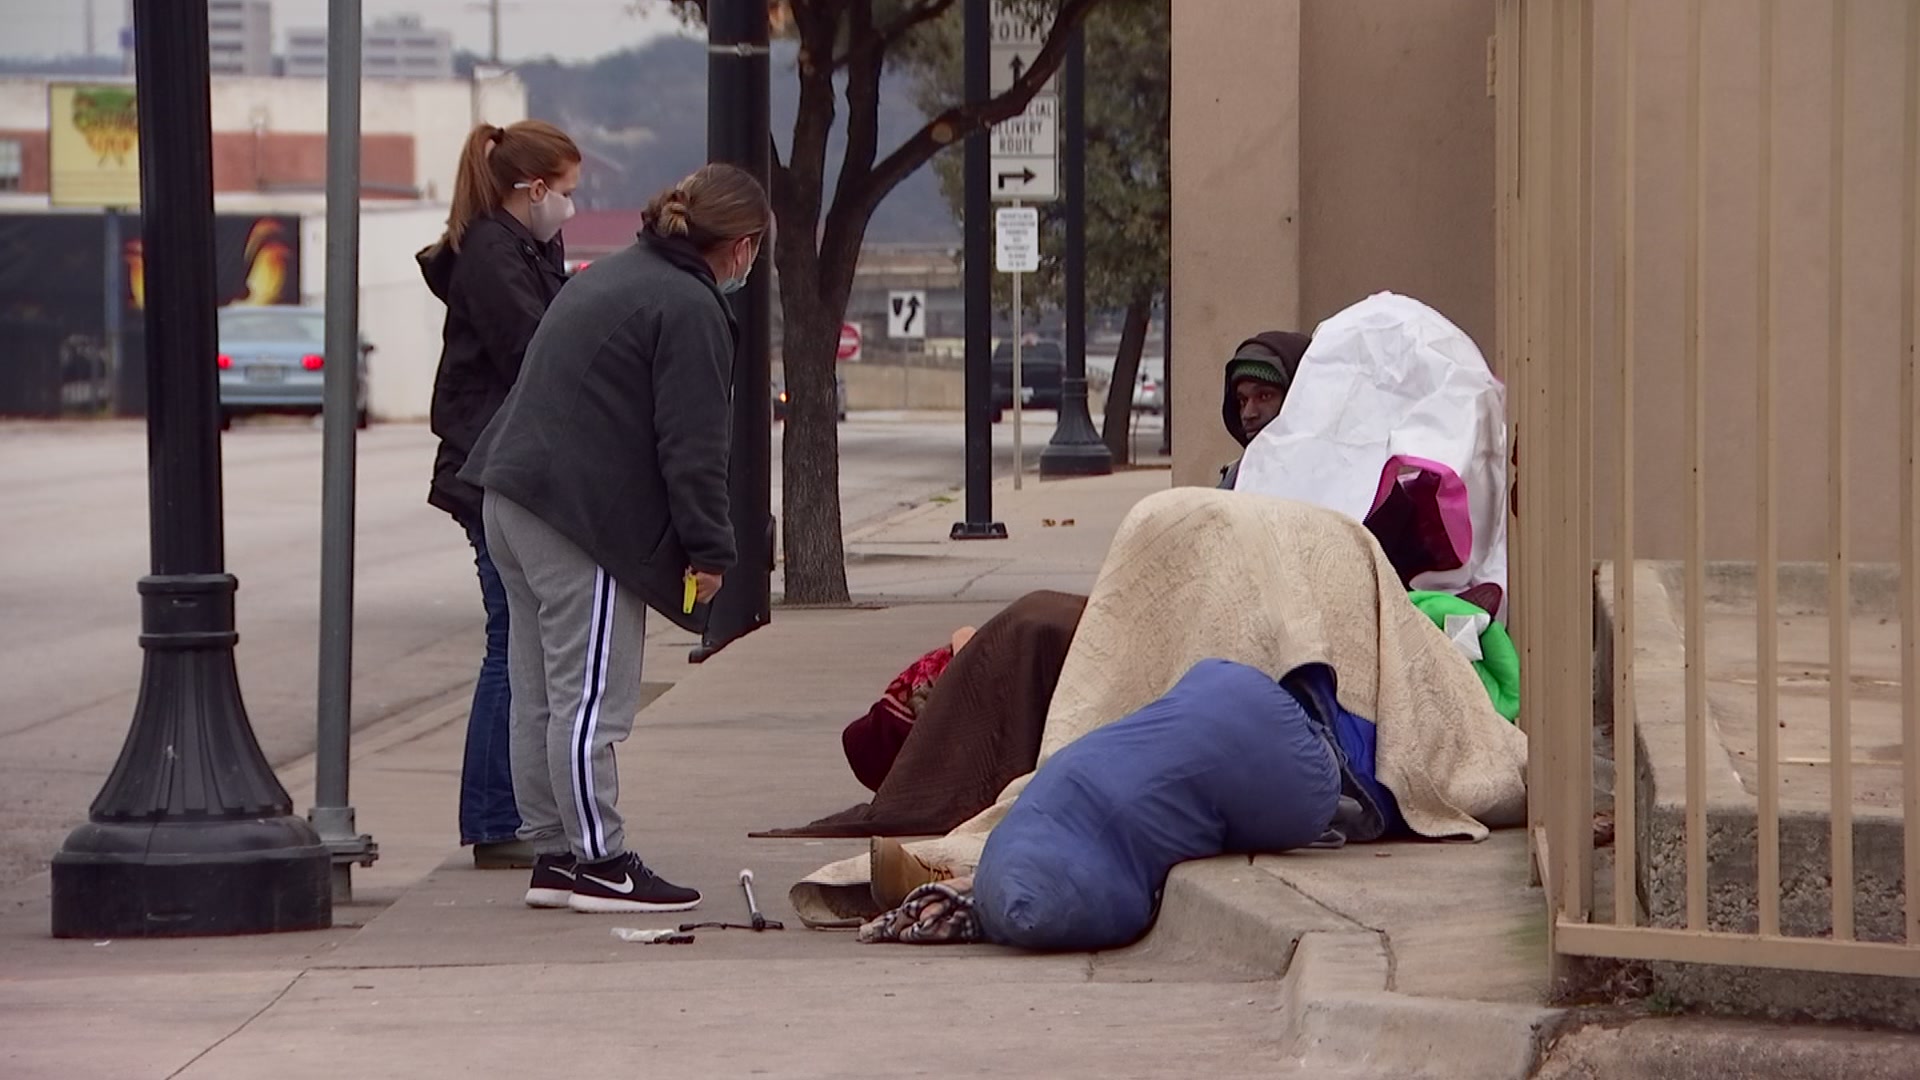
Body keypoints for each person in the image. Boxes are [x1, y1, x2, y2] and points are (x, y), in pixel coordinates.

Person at [460, 164, 772, 914]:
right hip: (579, 517)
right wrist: (711, 552)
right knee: (592, 696)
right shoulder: (688, 306)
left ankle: (556, 855)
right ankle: (601, 859)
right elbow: (694, 446)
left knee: (539, 694)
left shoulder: (618, 275)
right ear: (743, 244)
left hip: (513, 495)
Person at [418, 120, 581, 869]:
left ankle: (505, 810)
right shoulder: (492, 254)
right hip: (490, 464)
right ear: (534, 187)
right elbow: (536, 348)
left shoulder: (523, 248)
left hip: (502, 461)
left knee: (517, 641)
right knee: (509, 644)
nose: (572, 208)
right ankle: (494, 816)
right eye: (567, 192)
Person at [1217, 330, 1310, 489]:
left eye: (1264, 396)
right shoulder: (1236, 480)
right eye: (1243, 401)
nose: (1248, 414)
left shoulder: (1343, 480)